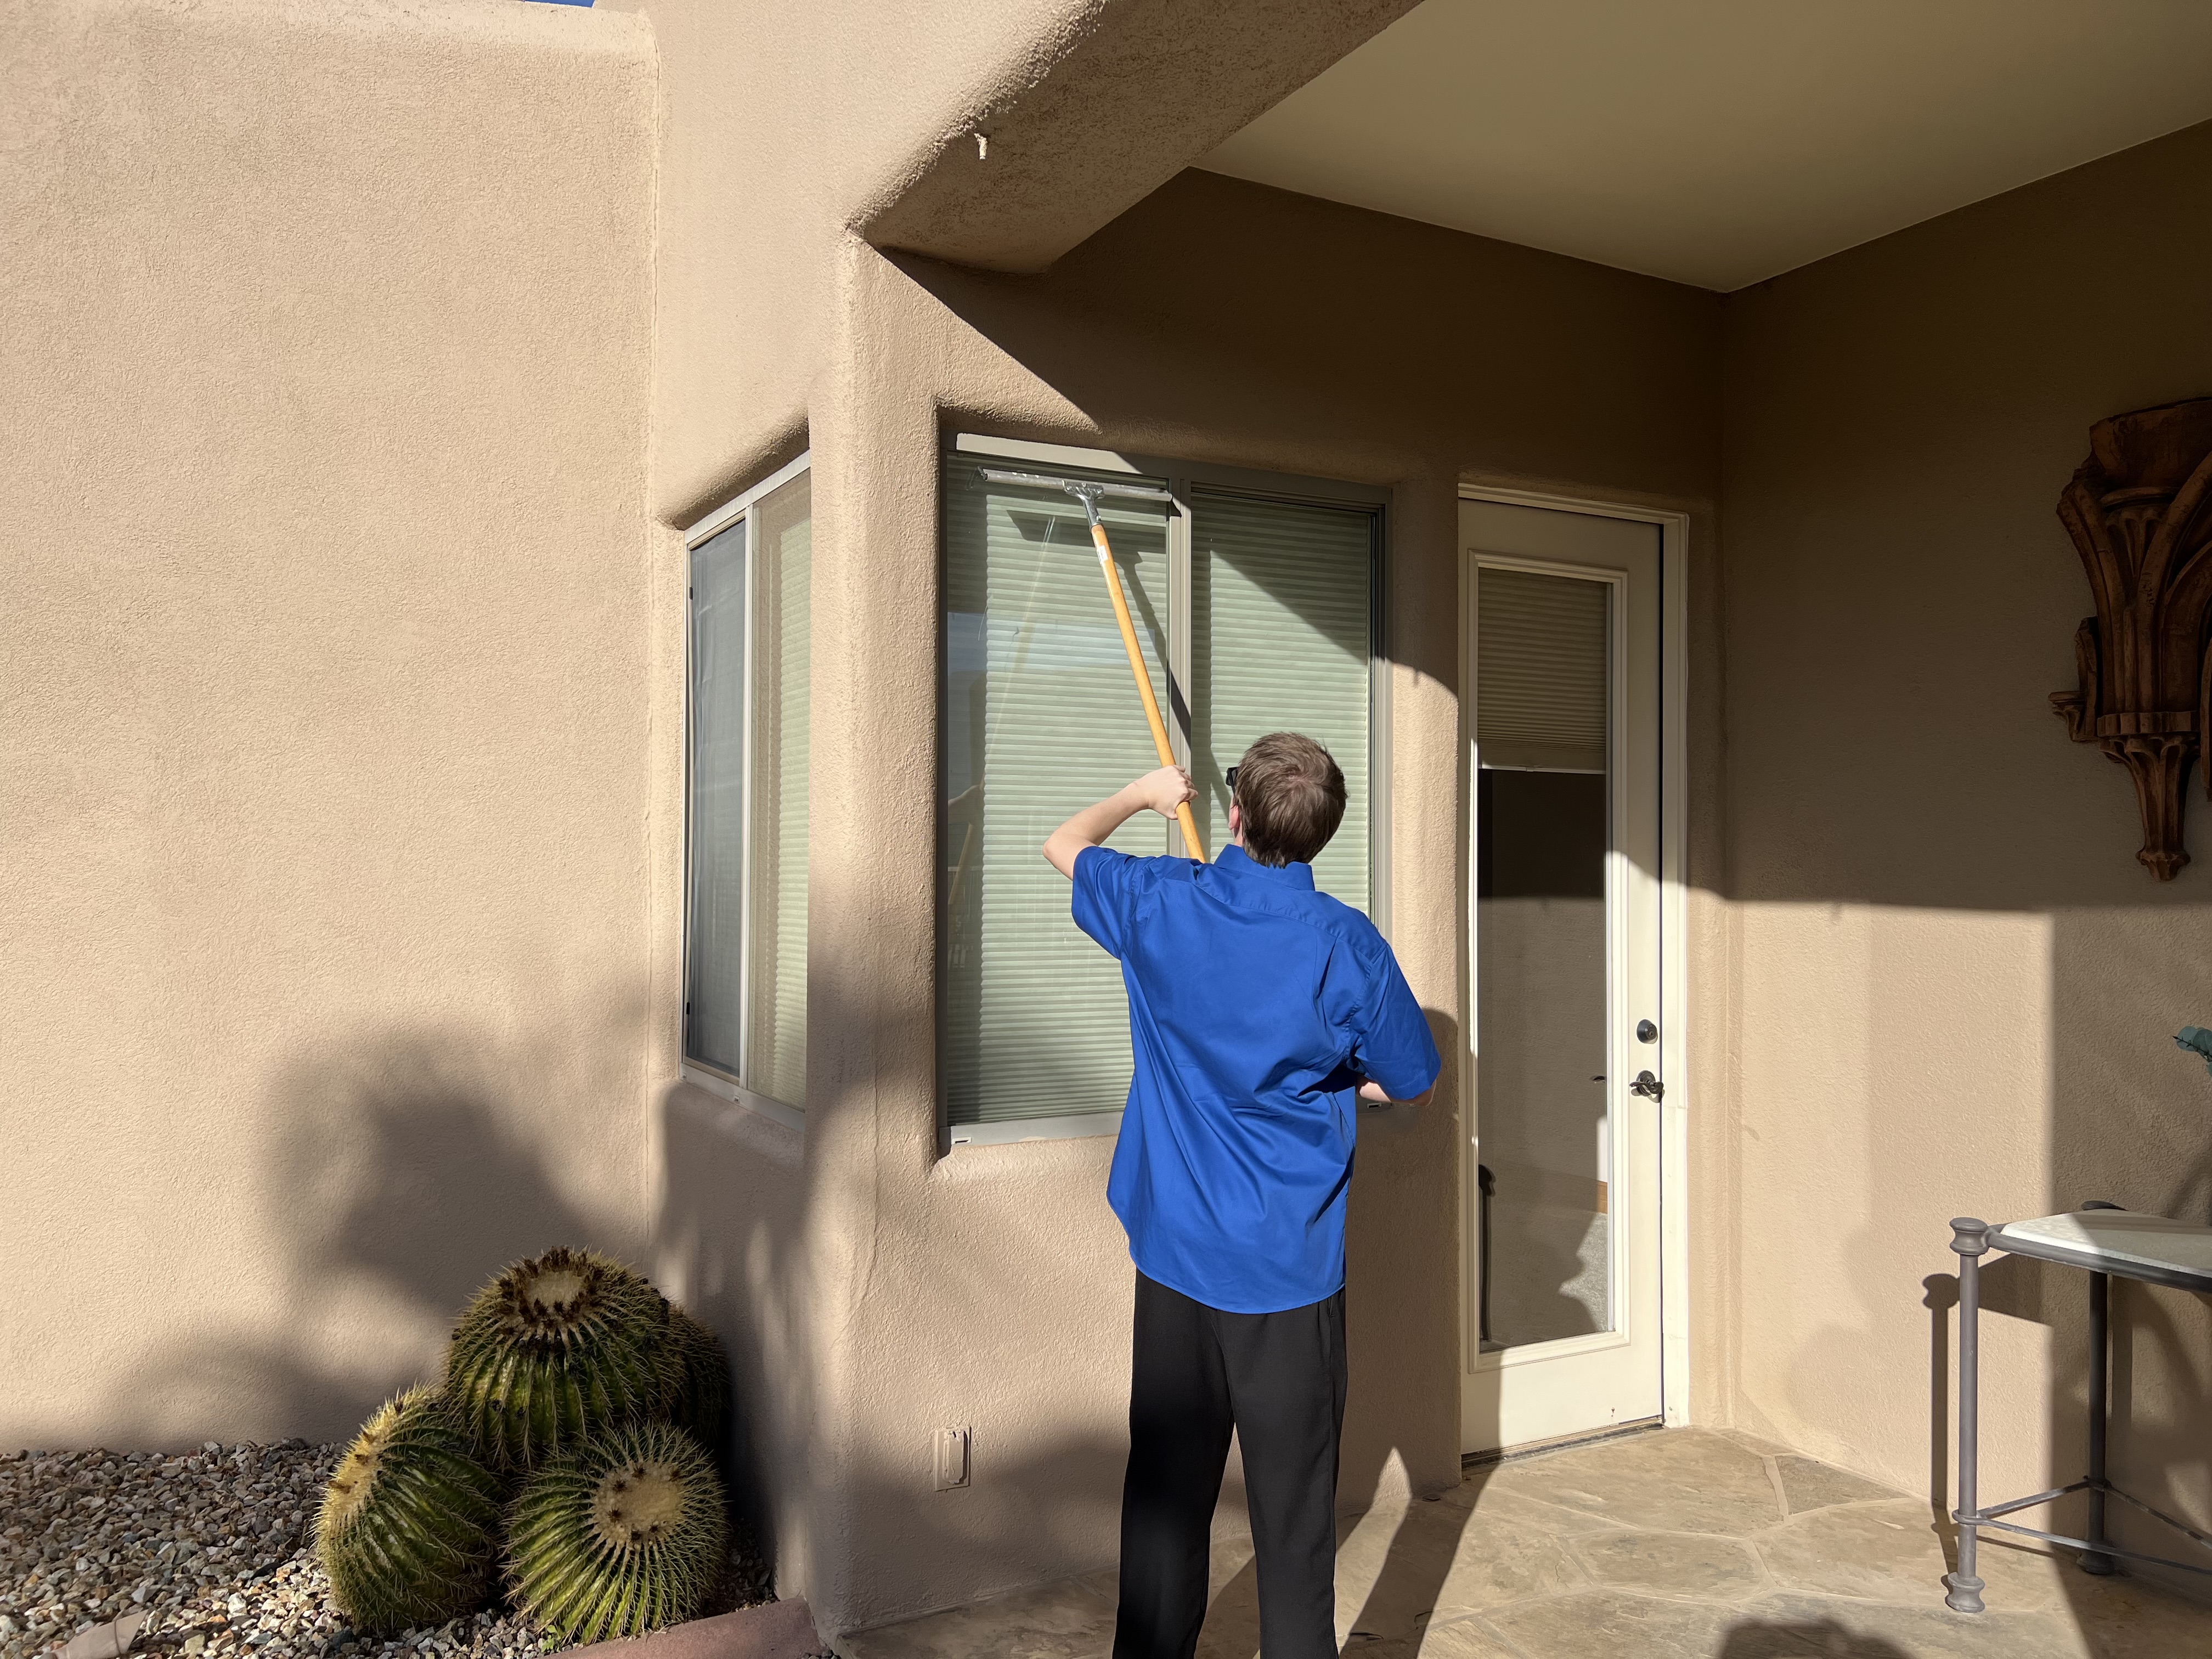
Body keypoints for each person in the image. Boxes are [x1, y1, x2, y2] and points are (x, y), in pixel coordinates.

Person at [1043, 732, 1441, 1659]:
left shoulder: (1160, 902)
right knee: (1295, 1526)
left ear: (1232, 815)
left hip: (1176, 1261)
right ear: (1320, 836)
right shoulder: (1345, 944)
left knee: (1166, 1503)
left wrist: (1143, 793)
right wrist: (1337, 1079)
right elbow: (1410, 1083)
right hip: (1286, 1279)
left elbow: (1065, 845)